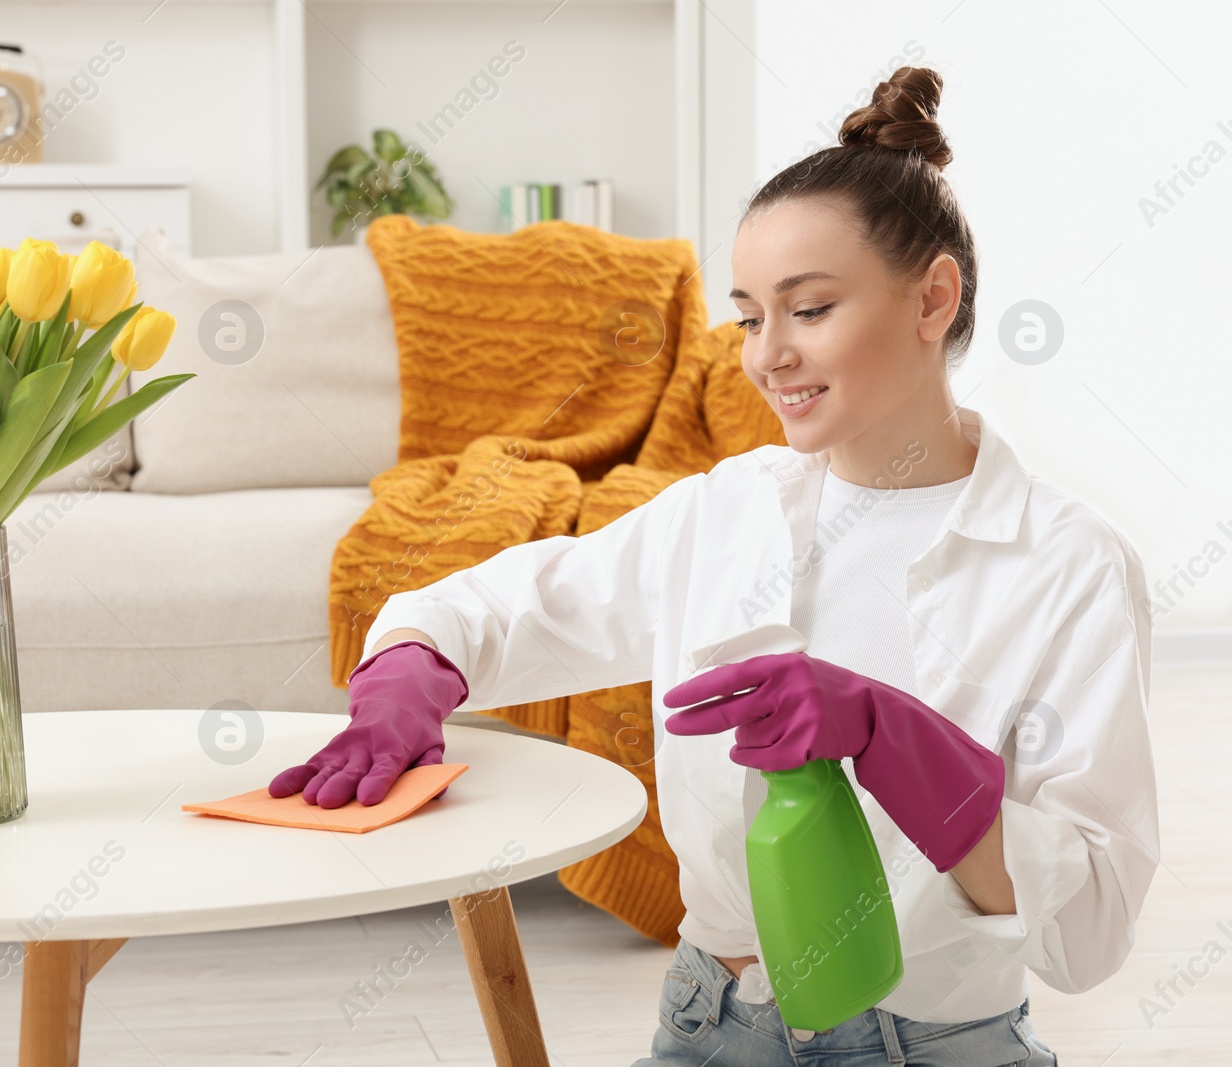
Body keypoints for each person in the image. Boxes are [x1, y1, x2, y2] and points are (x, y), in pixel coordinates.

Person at [268, 66, 1157, 1065]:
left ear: (932, 298)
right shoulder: (724, 512)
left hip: (939, 1043)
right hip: (710, 1024)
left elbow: (1088, 927)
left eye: (808, 309)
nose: (764, 354)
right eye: (747, 316)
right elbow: (497, 606)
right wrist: (408, 673)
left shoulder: (1066, 563)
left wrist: (898, 740)